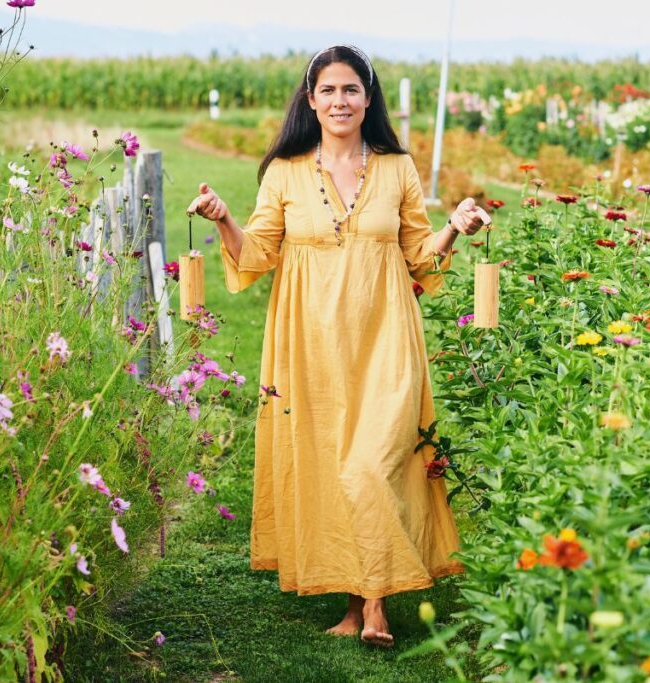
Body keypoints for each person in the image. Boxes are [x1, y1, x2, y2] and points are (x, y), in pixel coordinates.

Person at [187, 44, 490, 648]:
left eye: (350, 89)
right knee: (334, 468)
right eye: (327, 90)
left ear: (368, 98)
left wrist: (455, 225)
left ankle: (374, 606)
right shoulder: (285, 171)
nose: (339, 101)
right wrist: (223, 218)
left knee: (371, 465)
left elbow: (419, 257)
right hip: (310, 345)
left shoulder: (398, 168)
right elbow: (259, 255)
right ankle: (356, 604)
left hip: (385, 337)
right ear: (310, 100)